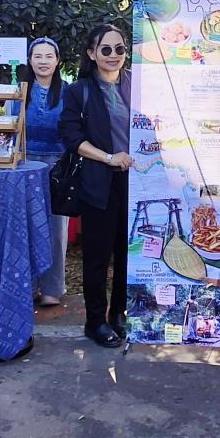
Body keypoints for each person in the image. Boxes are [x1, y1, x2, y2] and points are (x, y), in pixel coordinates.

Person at [58, 24, 133, 349]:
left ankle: (119, 313)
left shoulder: (137, 85)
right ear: (91, 53)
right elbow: (72, 137)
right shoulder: (79, 90)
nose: (114, 55)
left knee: (128, 252)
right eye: (106, 49)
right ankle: (95, 321)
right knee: (98, 256)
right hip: (98, 181)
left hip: (136, 182)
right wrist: (108, 157)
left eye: (119, 49)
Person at [21, 37, 68, 308]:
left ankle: (52, 288)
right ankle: (26, 286)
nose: (43, 61)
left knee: (56, 229)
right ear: (30, 60)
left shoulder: (68, 92)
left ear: (57, 60)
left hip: (57, 165)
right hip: (25, 164)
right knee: (25, 226)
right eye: (37, 56)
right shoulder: (20, 90)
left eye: (49, 56)